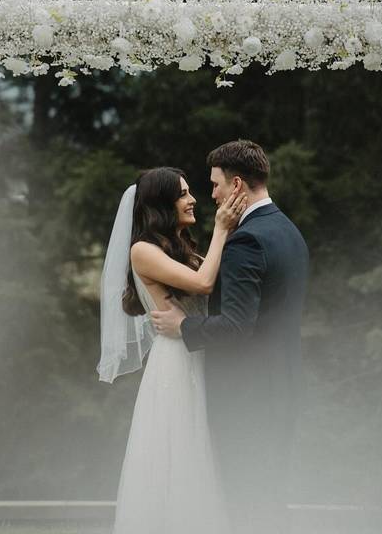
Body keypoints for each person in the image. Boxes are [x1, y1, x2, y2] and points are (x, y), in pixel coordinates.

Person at [151, 140, 310, 534]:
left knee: (245, 502)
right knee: (268, 498)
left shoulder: (246, 241)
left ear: (237, 185)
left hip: (247, 397)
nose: (212, 194)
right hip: (282, 386)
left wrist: (182, 327)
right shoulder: (288, 231)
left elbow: (237, 327)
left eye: (216, 185)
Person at [98, 166, 247, 534]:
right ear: (162, 203)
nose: (193, 199)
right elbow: (204, 282)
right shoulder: (142, 251)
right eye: (183, 194)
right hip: (175, 362)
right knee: (179, 450)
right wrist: (222, 229)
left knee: (200, 450)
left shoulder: (179, 247)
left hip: (194, 351)